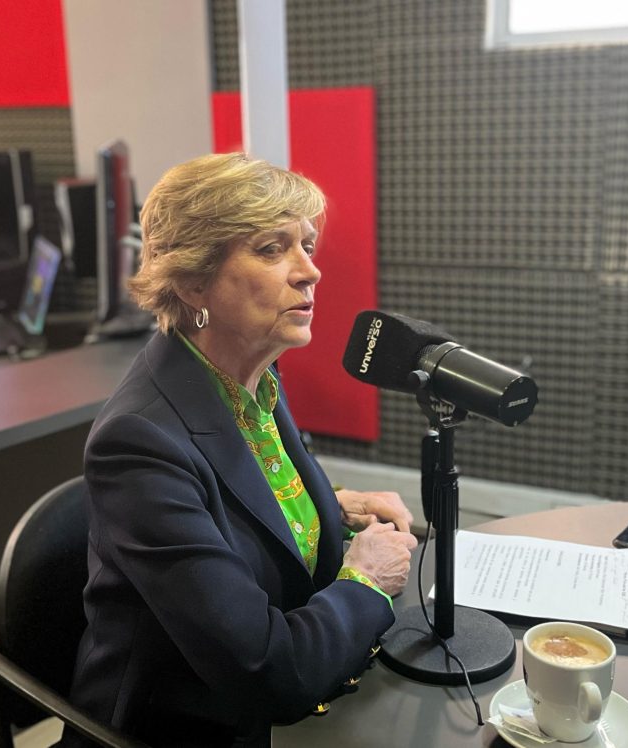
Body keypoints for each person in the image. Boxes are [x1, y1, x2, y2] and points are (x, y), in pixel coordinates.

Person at [64, 153, 418, 747]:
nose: (310, 271)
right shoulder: (138, 443)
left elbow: (237, 496)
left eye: (307, 245)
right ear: (192, 280)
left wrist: (331, 505)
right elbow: (267, 673)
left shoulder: (249, 373)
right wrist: (366, 580)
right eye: (272, 249)